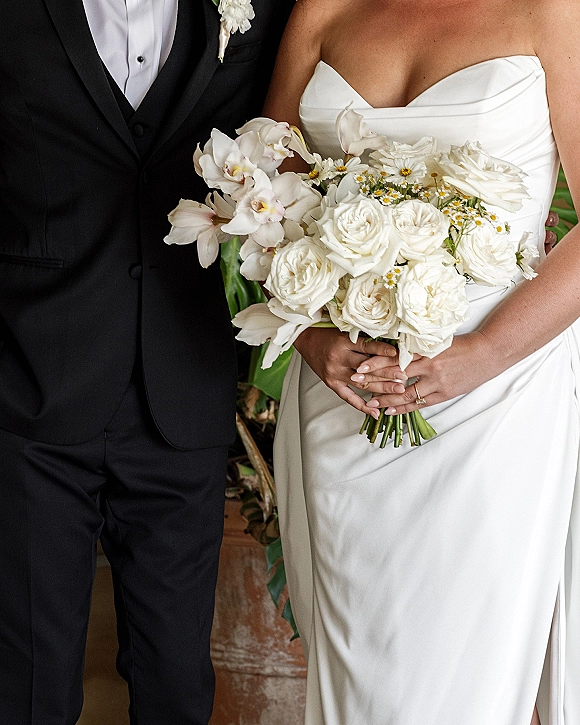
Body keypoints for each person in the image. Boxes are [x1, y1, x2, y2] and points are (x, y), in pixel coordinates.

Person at [264, 0, 580, 723]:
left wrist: (481, 355)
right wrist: (312, 341)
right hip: (345, 403)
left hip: (496, 403)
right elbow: (263, 195)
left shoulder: (549, 10)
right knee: (362, 683)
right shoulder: (322, 9)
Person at [0, 1, 294, 724]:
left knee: (177, 688)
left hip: (181, 387)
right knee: (26, 692)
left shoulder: (263, 7)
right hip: (31, 384)